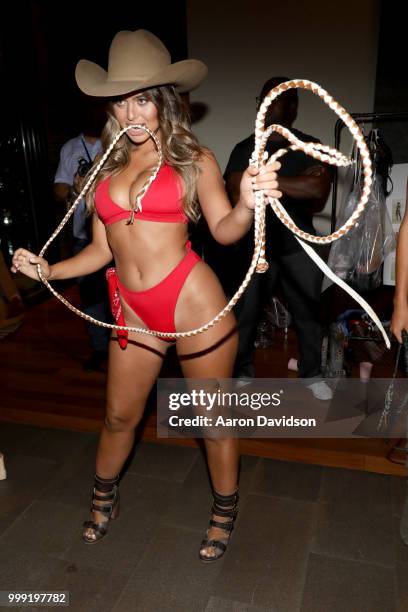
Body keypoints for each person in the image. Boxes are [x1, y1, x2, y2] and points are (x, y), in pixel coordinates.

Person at [11, 29, 281, 562]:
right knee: (118, 416)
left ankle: (225, 510)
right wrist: (50, 269)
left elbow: (225, 230)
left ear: (162, 102)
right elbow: (102, 252)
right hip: (133, 308)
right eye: (122, 100)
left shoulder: (194, 158)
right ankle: (102, 496)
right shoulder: (105, 168)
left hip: (192, 299)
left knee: (212, 419)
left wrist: (248, 203)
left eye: (143, 100)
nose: (132, 113)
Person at [223, 76, 333, 400]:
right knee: (246, 313)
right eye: (266, 99)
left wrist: (264, 181)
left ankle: (312, 374)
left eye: (281, 98)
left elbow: (318, 190)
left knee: (309, 313)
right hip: (258, 245)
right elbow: (234, 190)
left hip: (300, 245)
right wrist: (293, 183)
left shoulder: (309, 146)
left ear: (294, 106)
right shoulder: (245, 148)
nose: (271, 105)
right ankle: (242, 372)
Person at [54, 103, 112, 371]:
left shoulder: (118, 141)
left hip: (117, 238)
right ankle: (100, 349)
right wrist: (73, 188)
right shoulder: (69, 148)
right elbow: (58, 189)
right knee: (90, 301)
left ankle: (123, 349)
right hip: (83, 236)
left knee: (120, 299)